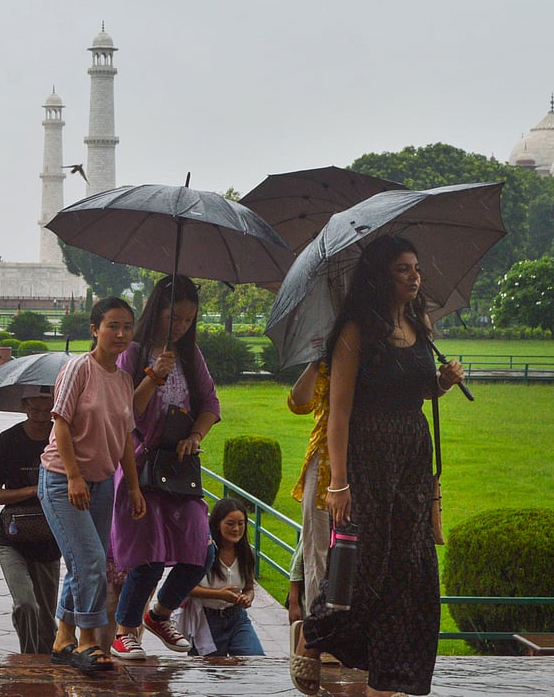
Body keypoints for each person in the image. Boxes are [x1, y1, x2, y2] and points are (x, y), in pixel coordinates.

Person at [291, 235, 464, 697]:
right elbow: (340, 413)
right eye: (403, 269)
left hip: (411, 453)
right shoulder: (354, 331)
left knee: (411, 568)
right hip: (368, 455)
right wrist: (340, 483)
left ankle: (391, 676)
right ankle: (313, 633)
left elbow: (418, 391)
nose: (414, 276)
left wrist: (442, 384)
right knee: (365, 567)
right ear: (379, 276)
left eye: (416, 268)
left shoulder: (419, 323)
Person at [109, 275, 220, 661]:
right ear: (156, 311)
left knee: (200, 550)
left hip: (178, 467)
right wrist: (154, 375)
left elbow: (210, 405)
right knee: (149, 553)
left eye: (188, 320)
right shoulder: (134, 354)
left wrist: (196, 436)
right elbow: (128, 411)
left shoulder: (191, 357)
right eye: (174, 317)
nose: (181, 327)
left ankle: (159, 614)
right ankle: (124, 631)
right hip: (140, 463)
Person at [40, 297, 146, 673]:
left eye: (127, 327)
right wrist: (72, 476)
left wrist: (132, 487)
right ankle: (88, 641)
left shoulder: (124, 379)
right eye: (112, 325)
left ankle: (63, 638)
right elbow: (61, 423)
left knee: (82, 563)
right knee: (90, 562)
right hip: (63, 481)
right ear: (94, 329)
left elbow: (125, 439)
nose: (120, 334)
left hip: (102, 484)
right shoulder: (78, 369)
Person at [0, 394, 61, 654]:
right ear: (23, 405)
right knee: (26, 604)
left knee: (47, 621)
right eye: (34, 410)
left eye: (46, 411)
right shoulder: (8, 441)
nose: (40, 417)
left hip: (49, 537)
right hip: (12, 534)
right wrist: (31, 491)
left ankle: (45, 671)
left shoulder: (62, 439)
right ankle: (27, 660)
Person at [177, 498, 264, 657]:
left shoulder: (246, 554)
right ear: (218, 523)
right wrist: (219, 594)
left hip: (237, 618)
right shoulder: (203, 552)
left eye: (241, 523)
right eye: (230, 524)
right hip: (207, 620)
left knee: (254, 659)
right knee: (210, 673)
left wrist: (247, 598)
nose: (236, 529)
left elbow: (249, 587)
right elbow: (186, 588)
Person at [287, 360, 332, 618]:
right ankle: (319, 629)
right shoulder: (328, 360)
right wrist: (317, 360)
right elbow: (298, 403)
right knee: (318, 551)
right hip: (324, 462)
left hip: (371, 461)